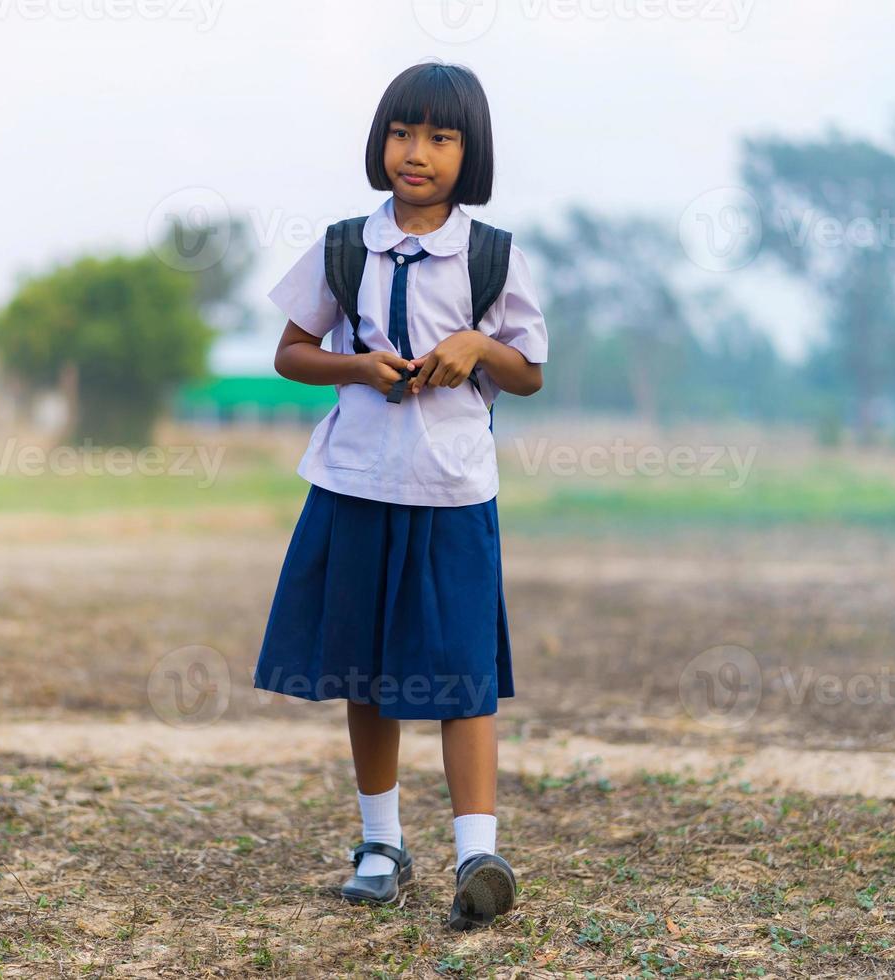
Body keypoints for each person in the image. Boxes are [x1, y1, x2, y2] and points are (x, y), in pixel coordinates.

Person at [250, 60, 548, 931]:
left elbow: (527, 371)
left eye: (440, 138)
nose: (417, 152)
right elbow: (291, 352)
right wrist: (358, 366)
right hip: (355, 486)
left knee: (464, 678)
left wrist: (474, 348)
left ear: (471, 152)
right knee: (365, 673)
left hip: (454, 495)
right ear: (381, 142)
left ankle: (476, 855)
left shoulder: (493, 256)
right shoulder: (346, 245)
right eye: (402, 133)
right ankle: (382, 844)